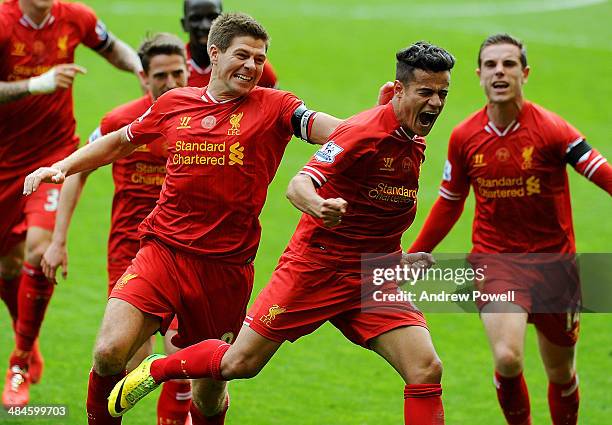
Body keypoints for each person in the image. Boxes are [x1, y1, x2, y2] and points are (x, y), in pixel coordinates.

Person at [107, 41, 456, 425]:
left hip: (370, 277)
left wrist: (398, 259)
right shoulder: (363, 133)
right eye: (426, 92)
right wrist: (319, 205)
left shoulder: (412, 138)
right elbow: (299, 185)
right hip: (315, 270)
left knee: (426, 368)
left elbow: (375, 214)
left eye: (442, 94)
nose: (436, 104)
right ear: (400, 89)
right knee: (239, 362)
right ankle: (159, 370)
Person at [24, 12, 343, 425]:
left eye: (259, 59)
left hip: (224, 268)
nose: (251, 66)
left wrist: (376, 125)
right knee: (107, 352)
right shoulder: (175, 104)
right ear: (214, 53)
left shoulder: (277, 106)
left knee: (208, 398)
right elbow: (118, 143)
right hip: (163, 251)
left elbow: (333, 130)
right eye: (242, 55)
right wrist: (63, 166)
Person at [407, 34, 612, 425]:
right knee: (507, 356)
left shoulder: (554, 131)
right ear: (479, 75)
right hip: (497, 261)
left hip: (555, 266)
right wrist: (415, 252)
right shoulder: (465, 136)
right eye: (491, 65)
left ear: (524, 73)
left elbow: (601, 173)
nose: (499, 71)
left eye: (509, 64)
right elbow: (451, 202)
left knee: (561, 374)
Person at [40, 32, 194, 425]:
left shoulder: (203, 121)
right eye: (161, 75)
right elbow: (78, 170)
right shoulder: (121, 121)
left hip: (186, 250)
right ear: (143, 77)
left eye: (179, 73)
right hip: (130, 253)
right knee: (127, 360)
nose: (171, 83)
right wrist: (58, 241)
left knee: (183, 352)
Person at [0, 0, 144, 408]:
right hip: (3, 161)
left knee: (39, 248)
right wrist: (37, 84)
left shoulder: (75, 17)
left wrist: (141, 70)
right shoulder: (3, 24)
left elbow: (112, 47)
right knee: (7, 265)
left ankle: (19, 361)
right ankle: (26, 333)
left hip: (53, 155)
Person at [182, 0, 277, 88]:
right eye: (196, 19)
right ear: (184, 24)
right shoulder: (174, 69)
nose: (205, 26)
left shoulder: (253, 66)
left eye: (212, 17)